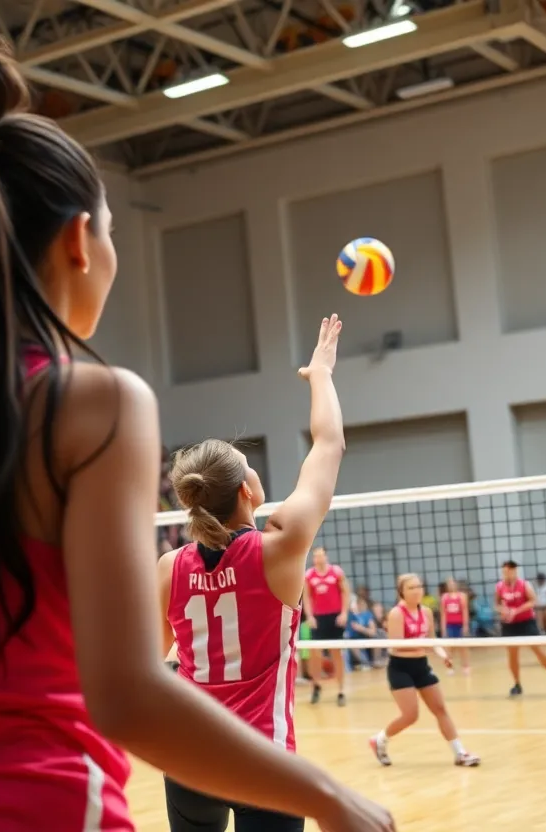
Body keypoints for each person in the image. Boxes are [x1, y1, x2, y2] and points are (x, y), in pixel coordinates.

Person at [0, 33, 391, 832]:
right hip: (44, 810)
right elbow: (128, 696)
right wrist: (331, 798)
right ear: (77, 240)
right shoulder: (97, 404)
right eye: (109, 230)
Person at [159, 315, 388, 832]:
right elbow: (328, 445)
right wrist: (321, 374)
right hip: (264, 759)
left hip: (190, 757)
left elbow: (159, 661)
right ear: (247, 490)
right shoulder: (281, 548)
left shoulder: (170, 566)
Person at [369, 574, 479, 768]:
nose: (417, 590)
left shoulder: (426, 612)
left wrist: (442, 653)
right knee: (410, 716)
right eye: (411, 587)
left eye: (419, 586)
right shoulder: (396, 613)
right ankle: (380, 740)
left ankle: (460, 752)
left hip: (421, 666)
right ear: (401, 591)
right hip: (400, 668)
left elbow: (431, 638)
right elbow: (397, 647)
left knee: (440, 709)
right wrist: (425, 648)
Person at [495, 561, 546, 696]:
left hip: (527, 622)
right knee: (512, 655)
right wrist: (503, 610)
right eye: (504, 572)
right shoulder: (500, 586)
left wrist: (516, 611)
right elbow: (496, 604)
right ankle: (517, 684)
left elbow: (533, 601)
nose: (505, 574)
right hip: (509, 625)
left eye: (508, 571)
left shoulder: (524, 585)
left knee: (539, 651)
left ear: (514, 571)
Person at [303, 547, 350, 706]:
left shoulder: (336, 572)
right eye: (315, 556)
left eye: (321, 555)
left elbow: (345, 592)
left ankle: (341, 690)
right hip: (318, 618)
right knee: (314, 654)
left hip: (335, 617)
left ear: (326, 557)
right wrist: (309, 616)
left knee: (336, 653)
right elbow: (307, 597)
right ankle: (316, 686)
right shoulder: (309, 575)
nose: (318, 558)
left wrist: (344, 613)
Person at [438, 578, 469, 673]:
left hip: (459, 624)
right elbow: (443, 613)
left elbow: (464, 611)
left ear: (456, 584)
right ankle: (450, 667)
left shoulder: (462, 596)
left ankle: (465, 666)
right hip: (449, 625)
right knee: (449, 647)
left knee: (463, 647)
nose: (451, 585)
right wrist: (443, 628)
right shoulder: (444, 597)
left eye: (452, 583)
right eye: (449, 584)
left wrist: (465, 625)